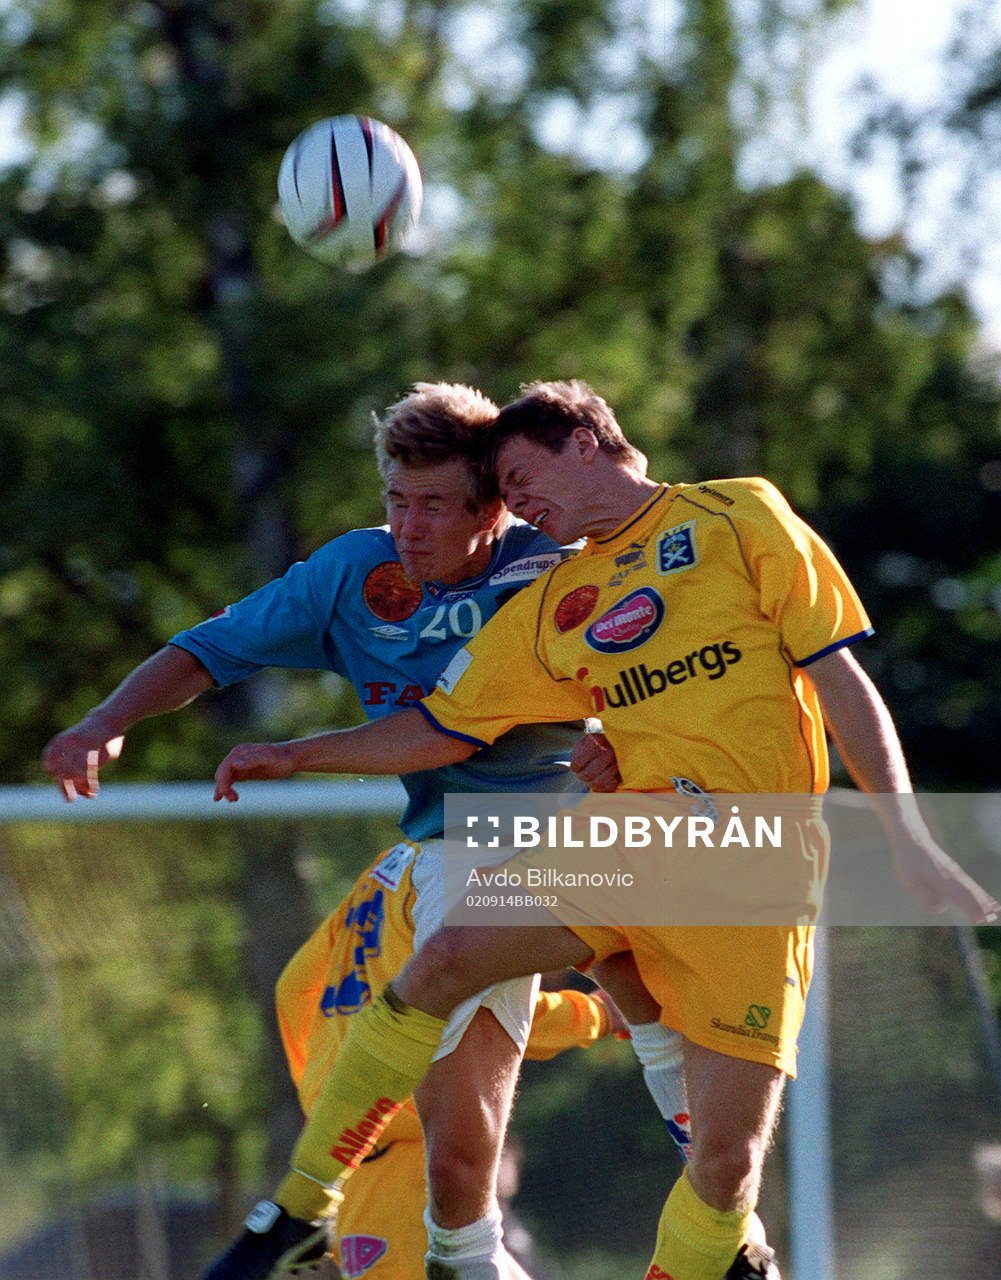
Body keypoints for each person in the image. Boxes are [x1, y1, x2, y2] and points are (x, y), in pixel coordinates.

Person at [211, 379, 1000, 1280]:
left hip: (751, 860)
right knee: (439, 958)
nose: (516, 508)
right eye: (502, 495)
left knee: (725, 1167)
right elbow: (441, 725)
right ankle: (300, 1210)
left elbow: (839, 678)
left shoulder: (737, 514)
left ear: (583, 441)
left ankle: (724, 1254)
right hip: (627, 838)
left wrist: (907, 836)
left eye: (518, 478)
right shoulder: (556, 598)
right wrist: (294, 753)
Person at [41, 382, 668, 1280]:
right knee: (458, 1167)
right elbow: (209, 649)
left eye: (436, 508)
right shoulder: (351, 576)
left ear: (489, 511)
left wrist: (615, 742)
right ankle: (405, 1243)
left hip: (582, 833)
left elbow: (655, 663)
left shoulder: (551, 565)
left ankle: (729, 1239)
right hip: (456, 846)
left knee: (679, 1024)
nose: (409, 529)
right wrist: (105, 718)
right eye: (396, 504)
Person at [278, 839, 627, 1279]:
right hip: (416, 1163)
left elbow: (293, 987)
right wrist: (595, 1014)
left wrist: (329, 1095)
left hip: (355, 1160)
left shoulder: (388, 866)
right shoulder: (463, 871)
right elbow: (484, 1013)